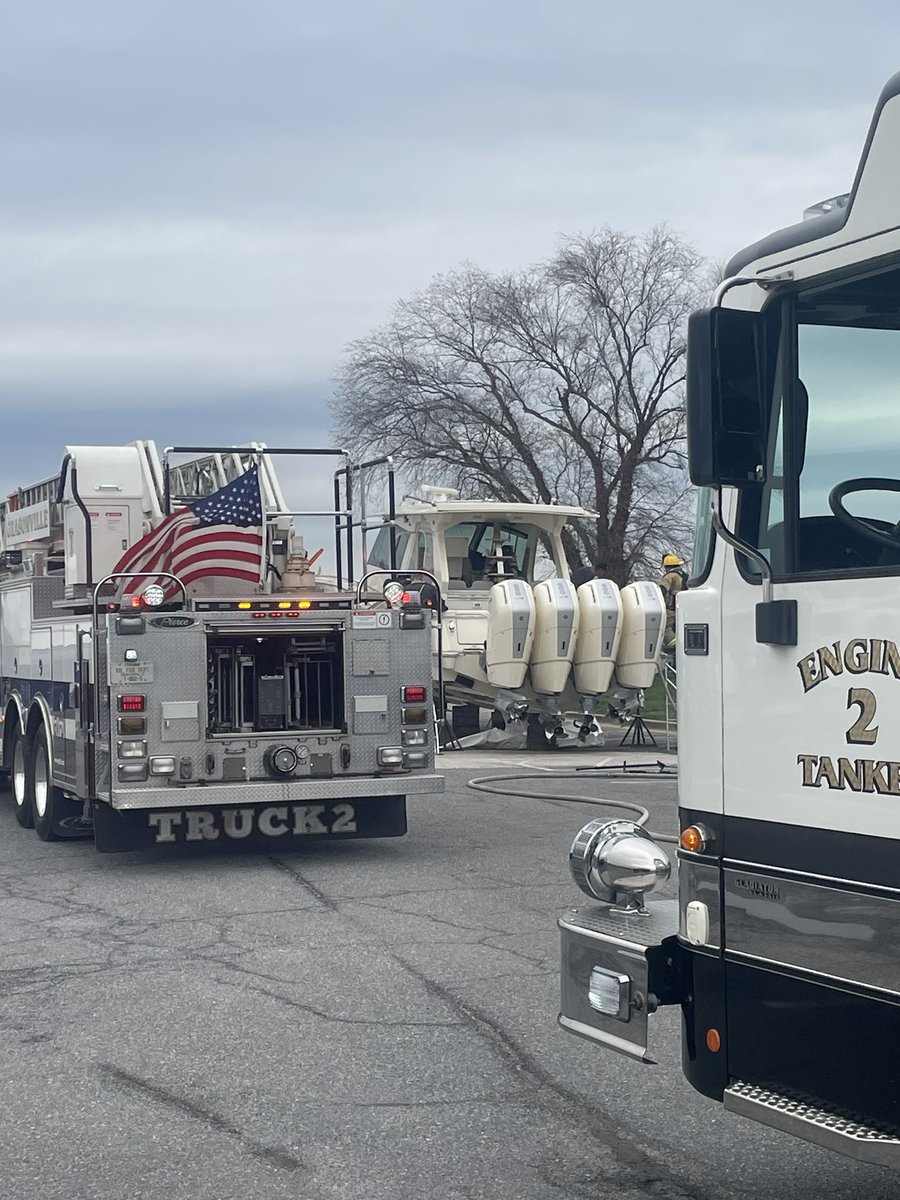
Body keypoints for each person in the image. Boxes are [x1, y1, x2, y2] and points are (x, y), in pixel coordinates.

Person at [659, 553, 688, 649]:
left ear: (667, 567)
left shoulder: (670, 576)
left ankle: (674, 646)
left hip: (671, 609)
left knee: (665, 626)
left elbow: (662, 589)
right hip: (682, 608)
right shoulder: (683, 576)